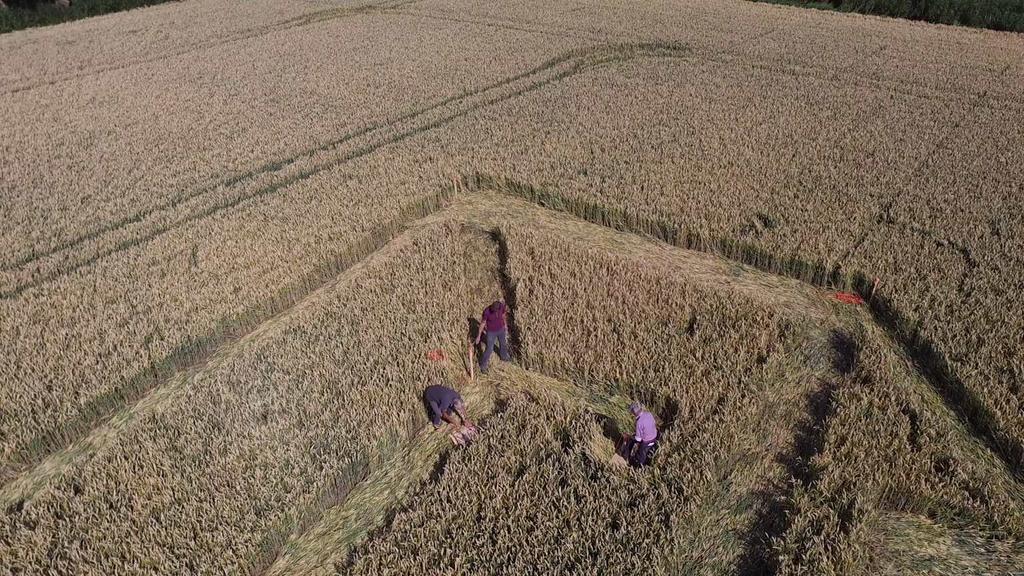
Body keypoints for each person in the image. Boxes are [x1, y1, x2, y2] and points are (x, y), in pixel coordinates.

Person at [475, 300, 511, 374]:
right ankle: (483, 366)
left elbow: (503, 315)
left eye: (495, 310)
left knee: (503, 344)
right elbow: (482, 323)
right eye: (493, 310)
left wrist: (505, 325)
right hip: (491, 332)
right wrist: (478, 336)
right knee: (489, 349)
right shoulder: (487, 312)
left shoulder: (501, 306)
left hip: (501, 330)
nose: (493, 311)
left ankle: (504, 357)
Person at [619, 402, 657, 467]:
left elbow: (638, 439)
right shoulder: (649, 414)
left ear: (634, 413)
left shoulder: (639, 422)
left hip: (646, 441)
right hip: (654, 436)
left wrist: (629, 436)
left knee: (639, 455)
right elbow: (653, 423)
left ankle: (635, 463)